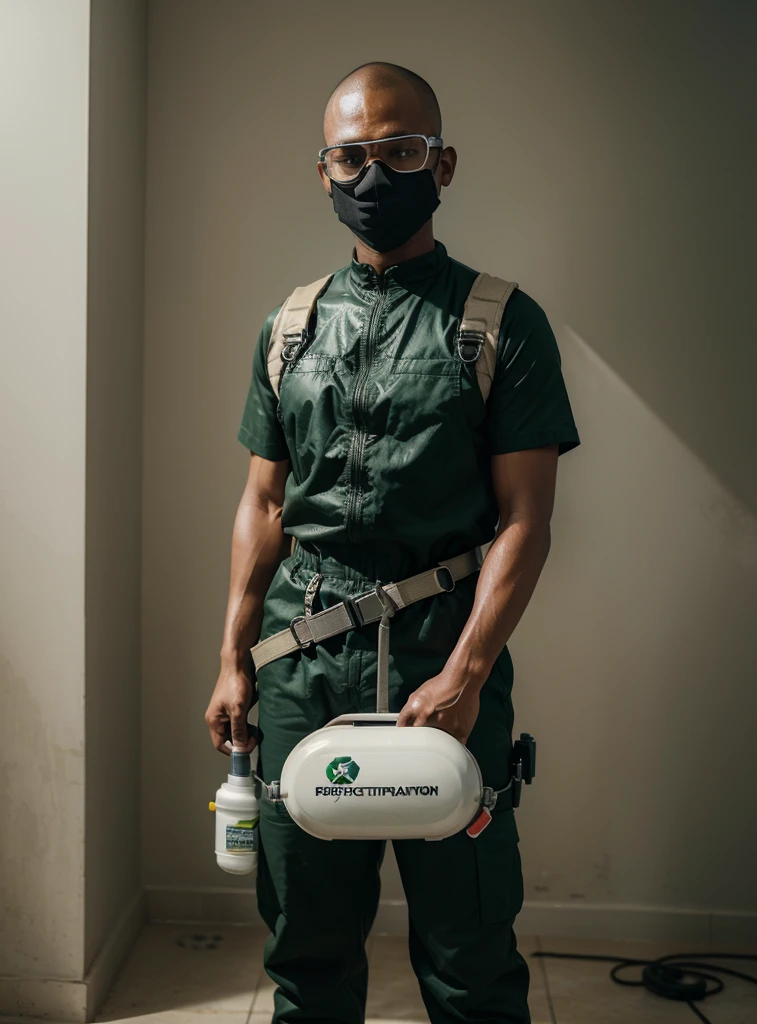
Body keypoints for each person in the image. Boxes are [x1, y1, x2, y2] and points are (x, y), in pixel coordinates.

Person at [205, 60, 580, 1024]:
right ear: (323, 173)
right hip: (302, 663)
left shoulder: (500, 324)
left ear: (442, 164)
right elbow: (262, 503)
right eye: (351, 156)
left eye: (401, 151)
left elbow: (526, 521)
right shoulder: (290, 327)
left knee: (468, 945)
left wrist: (465, 673)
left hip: (444, 651)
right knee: (308, 947)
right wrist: (233, 660)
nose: (374, 176)